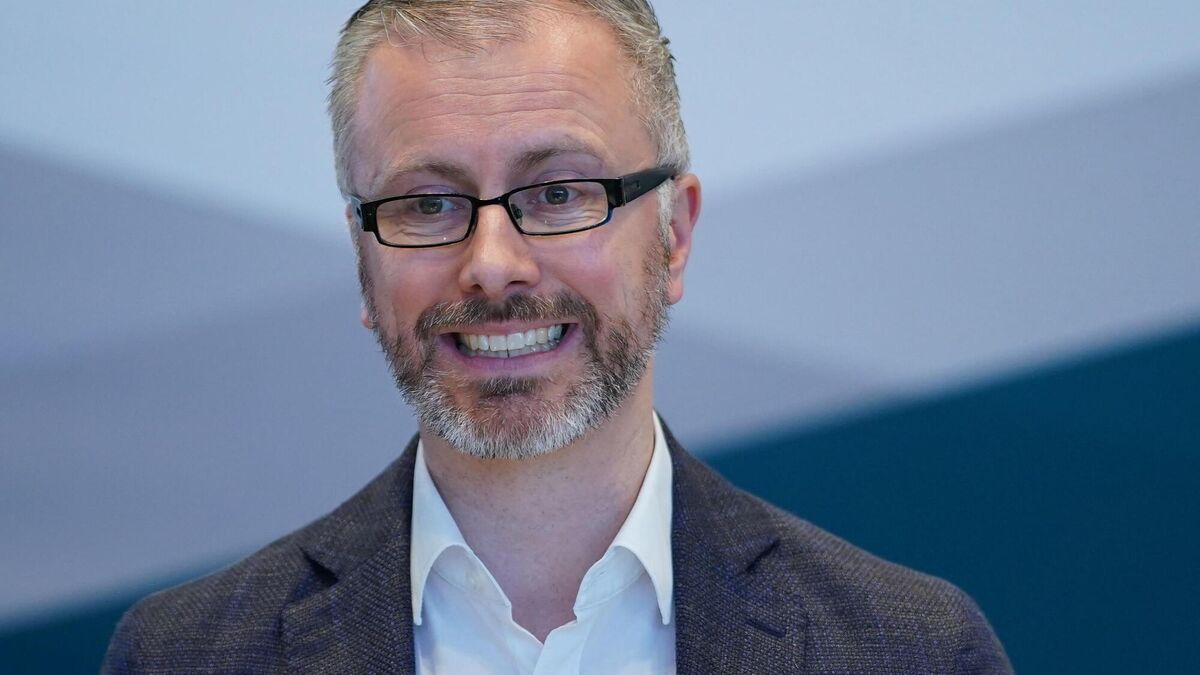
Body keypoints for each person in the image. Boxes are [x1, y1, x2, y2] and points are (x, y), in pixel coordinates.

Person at [103, 1, 1011, 673]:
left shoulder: (914, 652)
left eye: (560, 193)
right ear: (363, 261)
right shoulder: (184, 656)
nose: (493, 264)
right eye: (428, 203)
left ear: (675, 234)